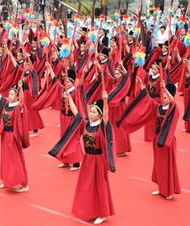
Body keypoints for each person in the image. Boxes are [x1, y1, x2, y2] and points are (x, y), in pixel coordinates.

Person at [56, 90, 115, 225]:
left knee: (99, 185)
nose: (91, 113)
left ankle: (102, 213)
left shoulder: (101, 126)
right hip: (88, 159)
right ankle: (90, 210)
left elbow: (106, 117)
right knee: (88, 186)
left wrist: (105, 101)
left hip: (98, 160)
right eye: (91, 111)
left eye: (94, 112)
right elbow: (77, 113)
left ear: (99, 114)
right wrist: (69, 98)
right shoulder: (86, 124)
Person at [117, 78, 181, 200]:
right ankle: (161, 187)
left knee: (167, 165)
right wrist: (142, 87)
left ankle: (168, 191)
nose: (163, 99)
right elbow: (148, 101)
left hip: (167, 140)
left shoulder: (173, 108)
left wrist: (165, 88)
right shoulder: (158, 107)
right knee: (158, 164)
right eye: (162, 96)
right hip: (157, 139)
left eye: (166, 97)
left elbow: (173, 102)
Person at [0, 76, 30, 193]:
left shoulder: (17, 107)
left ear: (16, 96)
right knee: (5, 159)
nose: (10, 96)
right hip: (5, 136)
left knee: (16, 160)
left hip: (14, 136)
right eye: (9, 94)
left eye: (12, 94)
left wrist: (21, 89)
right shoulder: (6, 104)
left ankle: (24, 184)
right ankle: (7, 180)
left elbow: (22, 101)